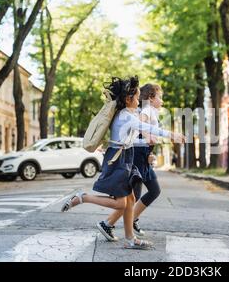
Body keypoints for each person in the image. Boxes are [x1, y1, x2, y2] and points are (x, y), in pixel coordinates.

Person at [60, 76, 184, 250]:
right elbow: (148, 129)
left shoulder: (126, 114)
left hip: (124, 155)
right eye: (137, 97)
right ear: (128, 99)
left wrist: (148, 146)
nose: (139, 100)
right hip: (119, 159)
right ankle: (83, 198)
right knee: (121, 203)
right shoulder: (127, 117)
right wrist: (172, 135)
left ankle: (130, 238)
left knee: (131, 199)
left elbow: (133, 141)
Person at [99, 83, 165, 241]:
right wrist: (148, 138)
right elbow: (139, 129)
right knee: (133, 196)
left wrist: (150, 150)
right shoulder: (145, 111)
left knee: (151, 191)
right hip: (137, 155)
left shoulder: (149, 111)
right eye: (160, 97)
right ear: (150, 98)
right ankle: (110, 223)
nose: (162, 101)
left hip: (142, 155)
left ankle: (130, 219)